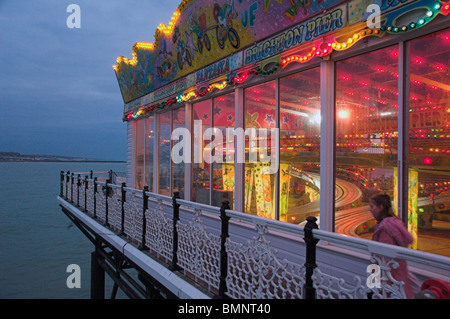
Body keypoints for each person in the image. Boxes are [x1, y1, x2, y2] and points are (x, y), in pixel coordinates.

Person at [369, 194, 420, 298]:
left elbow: (383, 258)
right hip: (399, 271)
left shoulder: (384, 229)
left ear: (381, 207)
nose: (370, 210)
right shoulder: (394, 223)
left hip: (389, 277)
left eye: (372, 206)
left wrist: (373, 282)